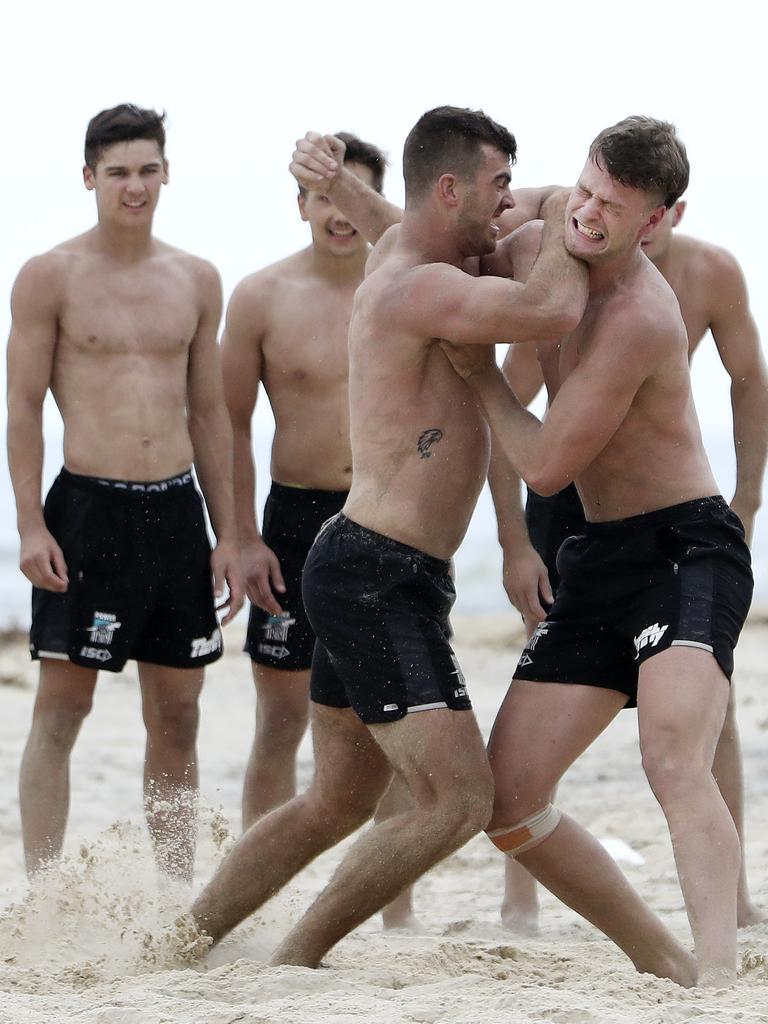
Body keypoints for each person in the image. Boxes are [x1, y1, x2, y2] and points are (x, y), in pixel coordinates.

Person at [185, 106, 612, 971]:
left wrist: (536, 202)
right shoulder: (421, 284)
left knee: (338, 799)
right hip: (378, 574)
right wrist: (574, 203)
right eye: (496, 188)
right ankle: (297, 958)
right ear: (449, 189)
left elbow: (414, 220)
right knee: (458, 801)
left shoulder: (410, 254)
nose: (507, 206)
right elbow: (554, 308)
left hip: (371, 564)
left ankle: (187, 935)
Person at [442, 116, 753, 987]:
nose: (586, 215)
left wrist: (479, 374)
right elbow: (436, 237)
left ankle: (723, 983)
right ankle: (659, 956)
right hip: (600, 558)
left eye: (612, 208)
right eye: (583, 190)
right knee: (507, 799)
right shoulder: (546, 235)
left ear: (659, 219)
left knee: (672, 757)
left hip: (687, 549)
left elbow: (543, 465)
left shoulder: (642, 317)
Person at [491, 197, 768, 934]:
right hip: (574, 512)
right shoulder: (561, 259)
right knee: (517, 761)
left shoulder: (704, 275)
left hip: (676, 522)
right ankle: (519, 904)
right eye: (595, 195)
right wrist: (513, 541)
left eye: (631, 207)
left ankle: (729, 918)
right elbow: (508, 405)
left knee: (695, 727)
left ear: (667, 210)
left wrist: (747, 495)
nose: (605, 215)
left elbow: (748, 379)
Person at [6, 104, 243, 882]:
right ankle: (41, 889)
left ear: (166, 172)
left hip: (174, 512)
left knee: (176, 713)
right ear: (88, 179)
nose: (134, 186)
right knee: (62, 708)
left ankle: (174, 891)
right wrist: (32, 525)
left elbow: (209, 412)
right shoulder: (51, 275)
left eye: (147, 170)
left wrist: (230, 533)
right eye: (117, 173)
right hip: (88, 510)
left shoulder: (197, 278)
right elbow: (23, 408)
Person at [221, 132, 418, 929]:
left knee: (399, 725)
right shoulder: (261, 296)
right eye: (324, 195)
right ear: (301, 203)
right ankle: (256, 896)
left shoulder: (410, 287)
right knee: (279, 718)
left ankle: (395, 904)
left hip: (386, 516)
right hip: (294, 521)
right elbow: (229, 422)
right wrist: (239, 536)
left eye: (354, 194)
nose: (340, 212)